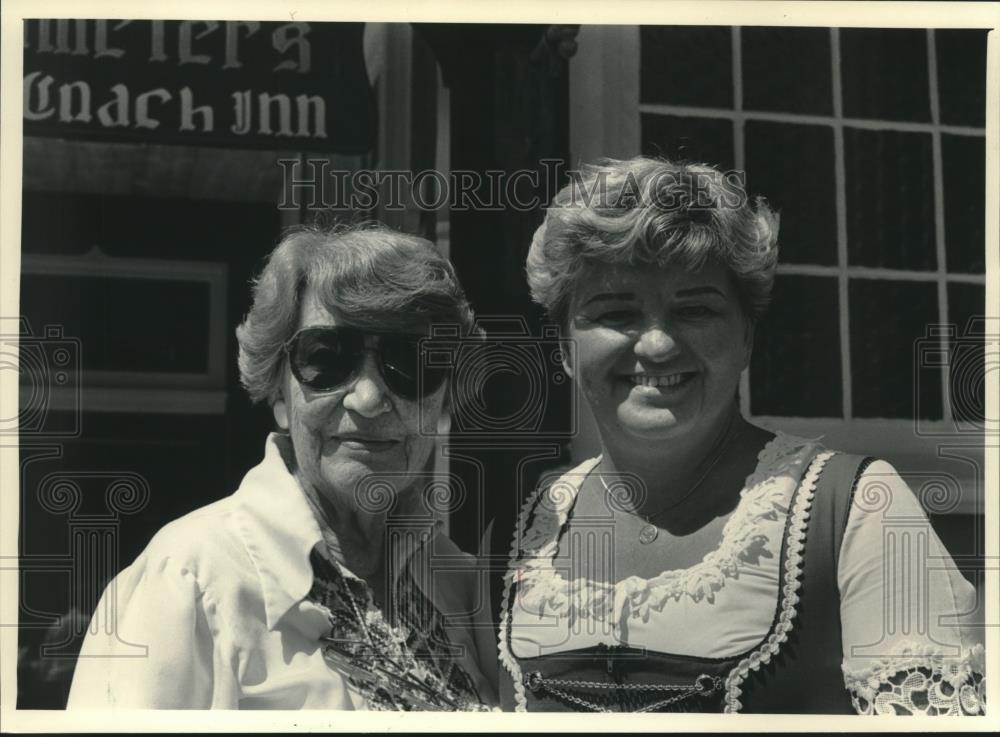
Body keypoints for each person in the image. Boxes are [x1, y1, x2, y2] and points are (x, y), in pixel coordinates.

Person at [496, 157, 985, 714]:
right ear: (564, 346)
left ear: (747, 337)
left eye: (695, 309)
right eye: (616, 313)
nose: (656, 345)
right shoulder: (527, 527)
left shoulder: (860, 509)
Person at [68, 224, 497, 710]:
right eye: (328, 358)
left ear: (444, 397)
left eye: (411, 362)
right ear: (277, 391)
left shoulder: (463, 584)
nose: (370, 398)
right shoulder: (190, 579)